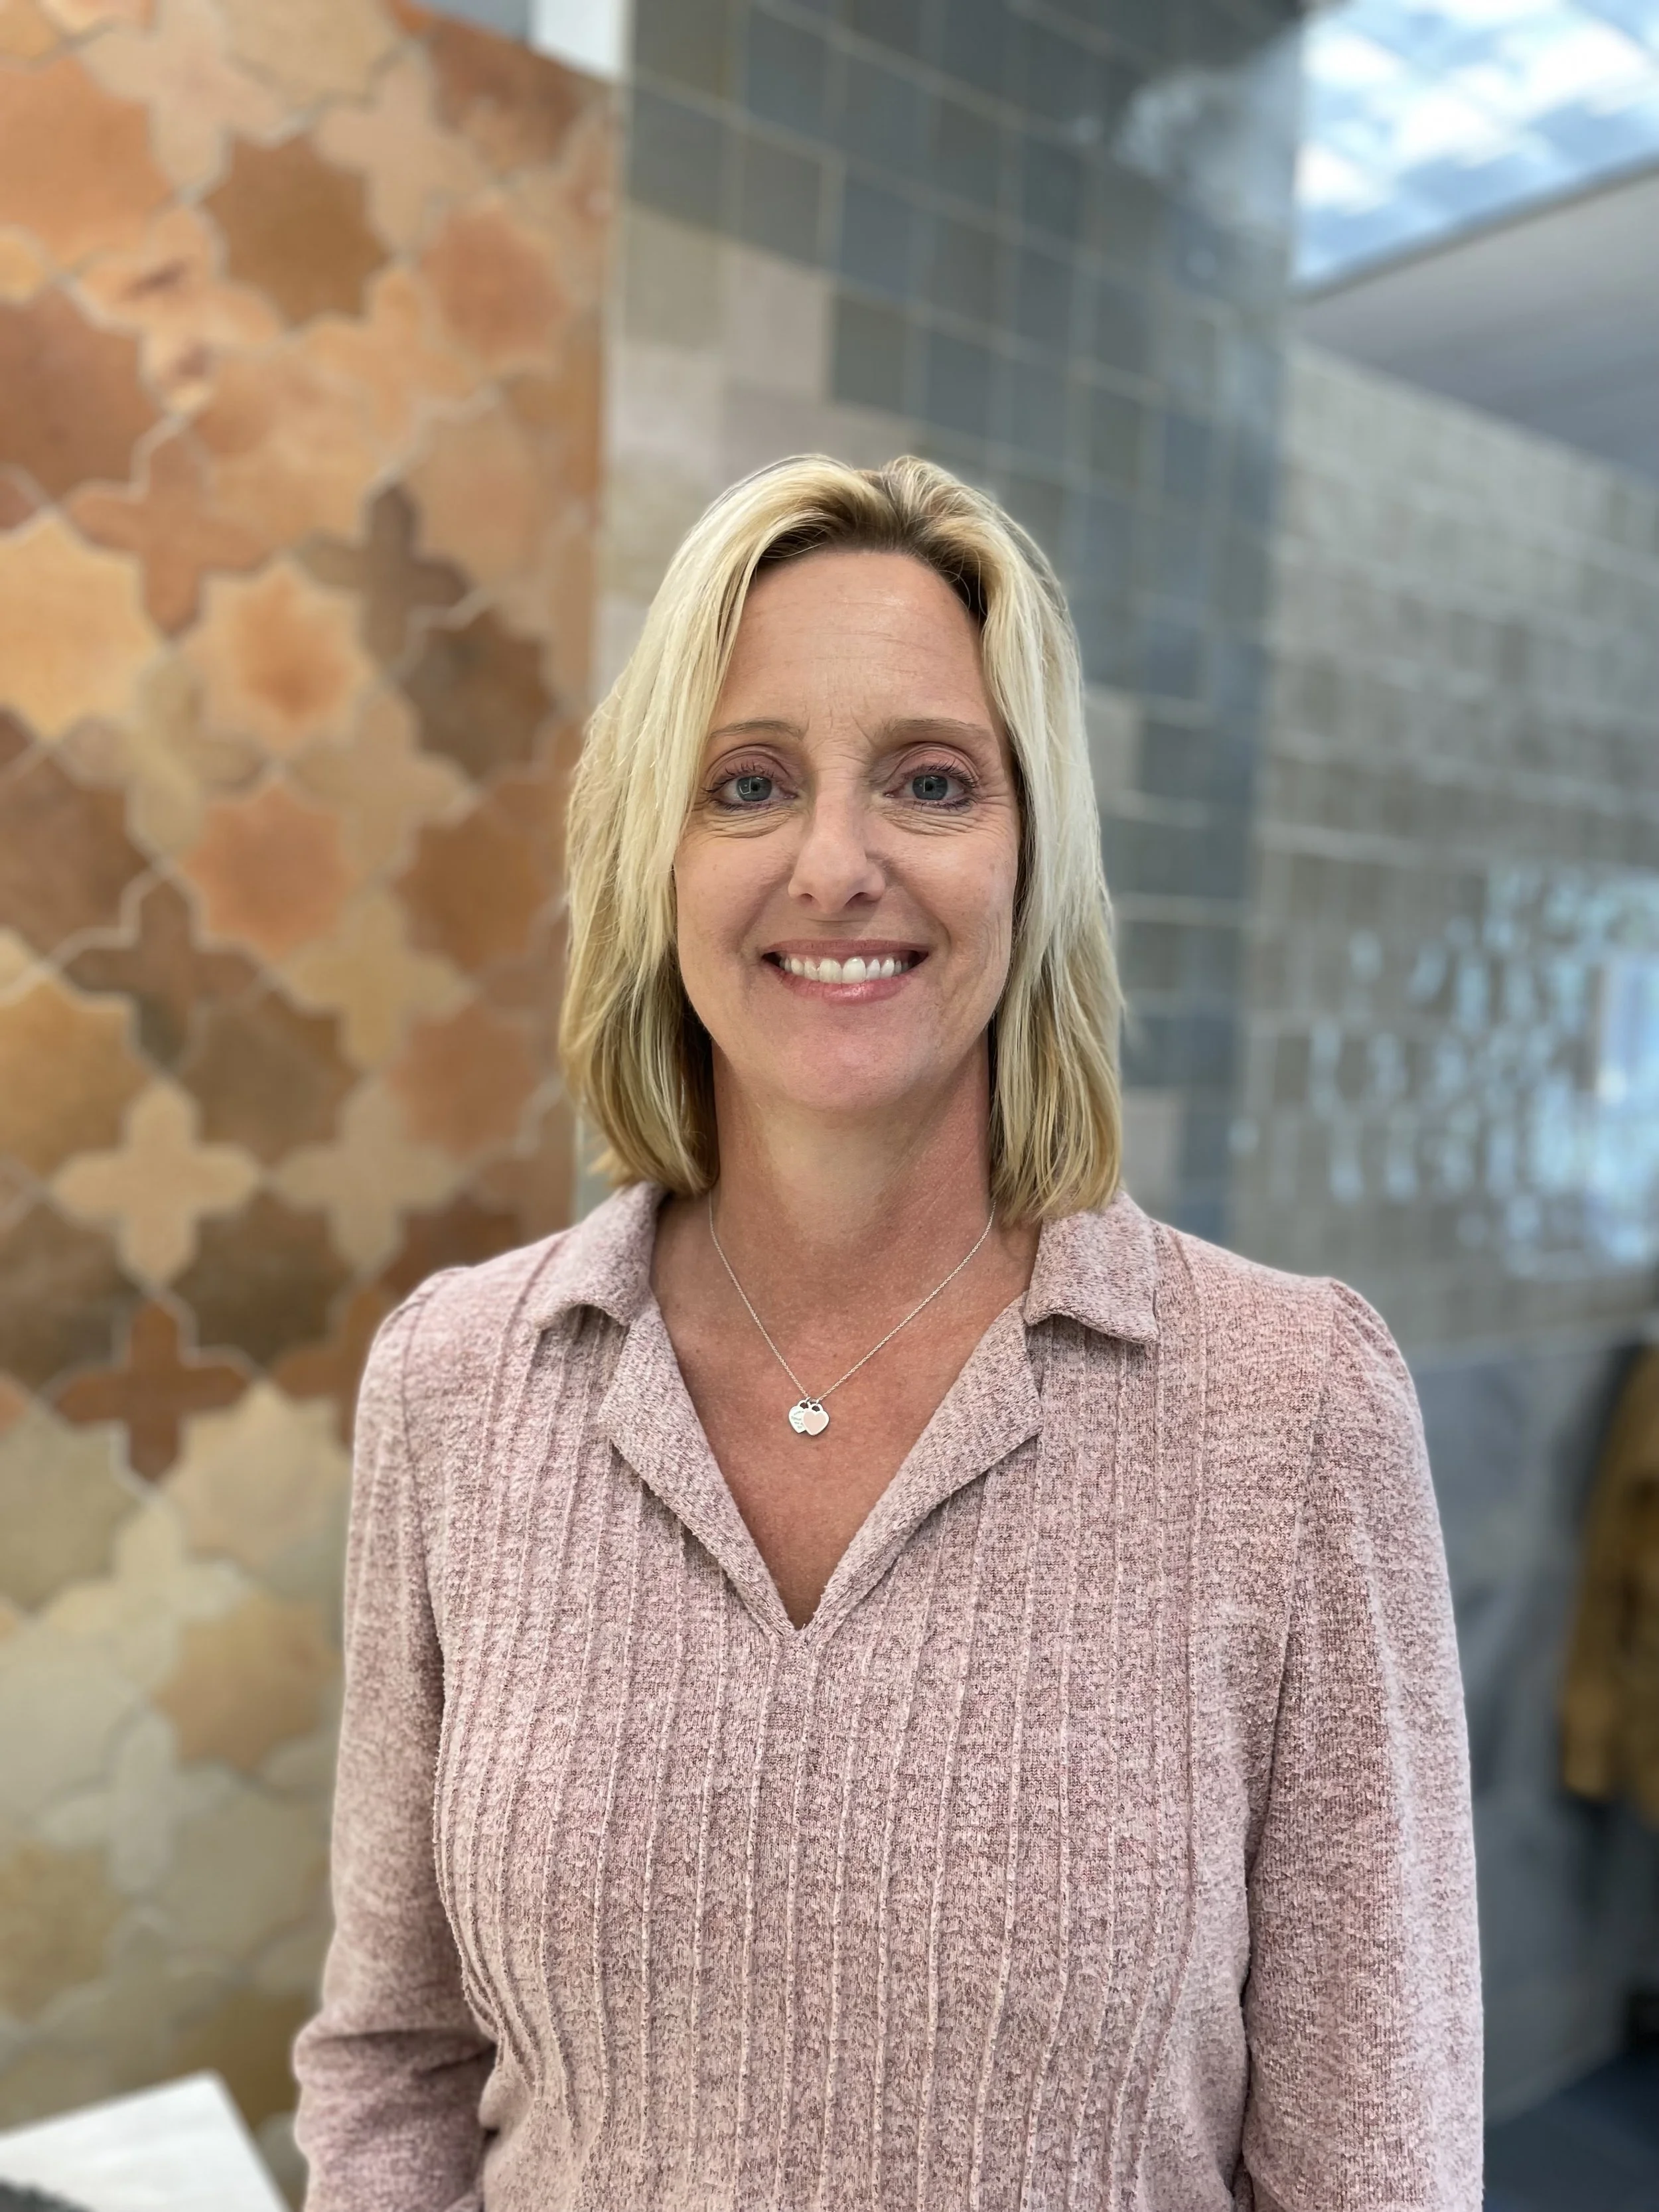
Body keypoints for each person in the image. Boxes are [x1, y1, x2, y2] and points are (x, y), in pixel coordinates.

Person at [293, 455, 1481, 2209]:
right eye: (748, 782)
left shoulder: (1289, 1408)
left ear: (1029, 853)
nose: (836, 864)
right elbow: (395, 2063)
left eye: (929, 781)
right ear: (657, 856)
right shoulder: (459, 1382)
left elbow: (1372, 2157)